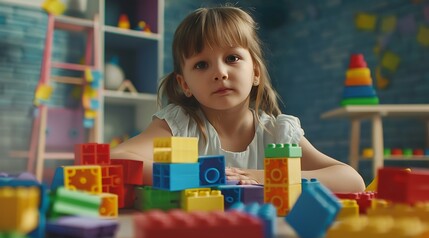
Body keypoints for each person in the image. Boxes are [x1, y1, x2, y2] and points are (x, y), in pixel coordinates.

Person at [110, 5, 365, 193]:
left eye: (232, 58)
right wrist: (196, 176)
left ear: (255, 72)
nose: (220, 73)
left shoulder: (276, 131)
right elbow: (116, 158)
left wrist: (265, 176)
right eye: (201, 65)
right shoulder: (180, 126)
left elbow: (351, 179)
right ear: (184, 84)